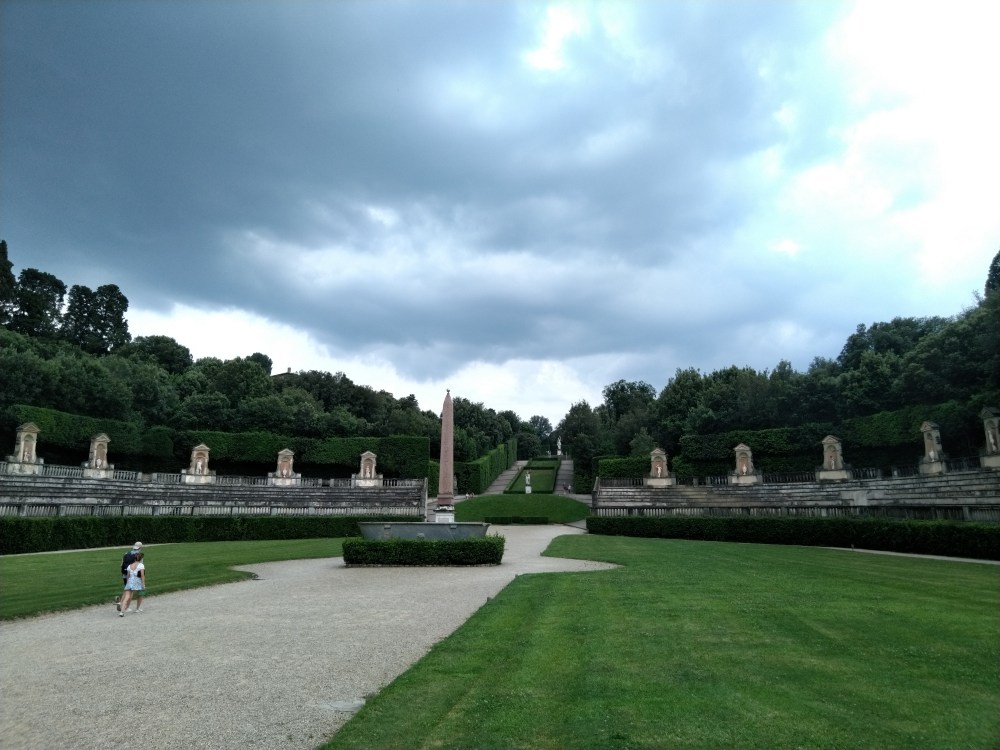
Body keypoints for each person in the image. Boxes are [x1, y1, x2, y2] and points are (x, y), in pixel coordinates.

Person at [117, 542, 142, 612]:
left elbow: (121, 564)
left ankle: (121, 602)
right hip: (132, 575)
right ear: (140, 547)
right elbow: (140, 566)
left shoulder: (126, 553)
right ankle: (127, 607)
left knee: (126, 588)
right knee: (131, 591)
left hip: (125, 573)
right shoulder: (139, 555)